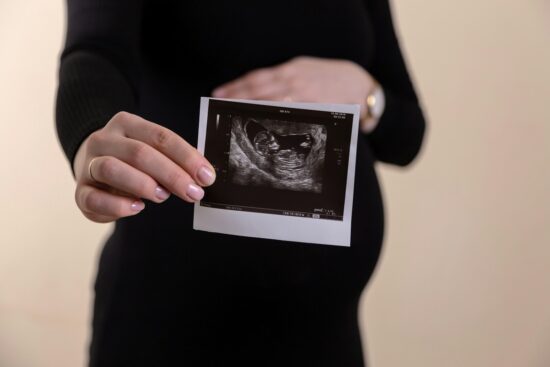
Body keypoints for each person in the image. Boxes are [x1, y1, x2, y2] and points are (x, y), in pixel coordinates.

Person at [55, 0, 426, 366]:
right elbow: (94, 54)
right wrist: (91, 136)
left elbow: (407, 136)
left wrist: (366, 93)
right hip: (172, 321)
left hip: (325, 331)